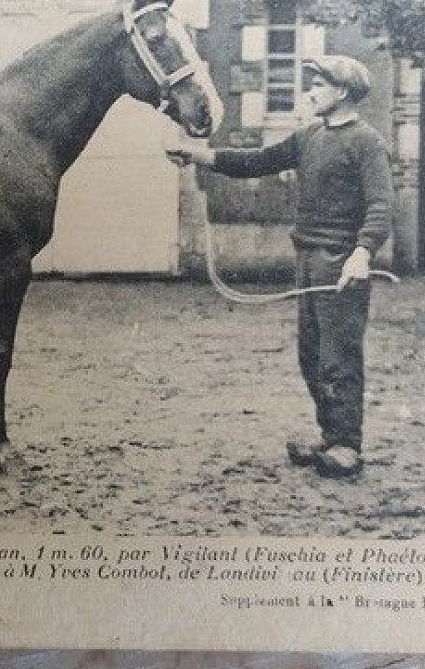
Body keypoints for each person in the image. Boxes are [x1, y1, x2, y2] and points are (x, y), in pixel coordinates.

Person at [166, 55, 393, 478]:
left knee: (337, 356)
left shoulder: (366, 143)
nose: (308, 92)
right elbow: (257, 161)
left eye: (318, 85)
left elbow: (381, 206)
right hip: (306, 258)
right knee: (310, 354)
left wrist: (362, 253)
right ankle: (329, 436)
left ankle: (347, 445)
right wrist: (197, 155)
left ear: (341, 92)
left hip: (339, 264)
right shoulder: (309, 137)